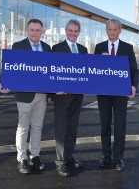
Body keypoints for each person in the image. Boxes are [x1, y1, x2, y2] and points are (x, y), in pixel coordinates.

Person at [0, 19, 51, 174]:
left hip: (41, 95)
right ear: (27, 31)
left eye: (37, 30)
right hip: (24, 95)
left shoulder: (47, 48)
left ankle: (35, 156)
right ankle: (22, 158)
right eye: (32, 30)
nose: (35, 33)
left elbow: (52, 70)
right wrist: (5, 82)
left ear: (42, 32)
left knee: (37, 127)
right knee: (23, 127)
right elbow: (10, 67)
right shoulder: (18, 46)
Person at [94, 19, 139, 171]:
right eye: (109, 30)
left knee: (120, 126)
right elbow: (94, 70)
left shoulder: (127, 48)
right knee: (105, 126)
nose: (112, 32)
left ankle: (118, 158)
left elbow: (133, 70)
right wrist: (101, 61)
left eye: (114, 30)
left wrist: (133, 86)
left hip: (121, 93)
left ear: (120, 30)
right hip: (104, 93)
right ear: (106, 30)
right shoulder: (99, 47)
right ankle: (106, 157)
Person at [51, 19, 88, 177]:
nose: (73, 34)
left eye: (76, 31)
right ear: (66, 31)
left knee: (72, 129)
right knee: (61, 130)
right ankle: (60, 162)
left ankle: (68, 157)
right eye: (70, 31)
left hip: (77, 97)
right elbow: (51, 71)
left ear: (79, 32)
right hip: (61, 97)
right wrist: (53, 91)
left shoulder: (83, 50)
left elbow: (87, 71)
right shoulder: (56, 48)